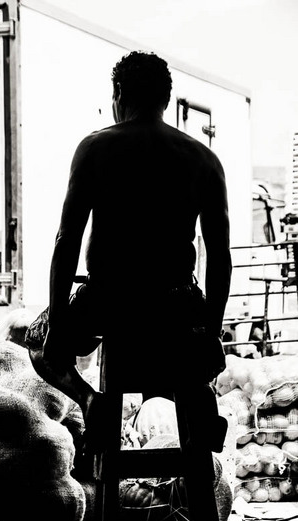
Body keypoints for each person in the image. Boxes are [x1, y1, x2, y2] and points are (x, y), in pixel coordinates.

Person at [25, 50, 232, 452]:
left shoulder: (96, 148)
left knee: (35, 341)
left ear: (119, 93)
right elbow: (221, 259)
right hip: (176, 304)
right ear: (165, 99)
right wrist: (211, 331)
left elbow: (66, 241)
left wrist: (58, 320)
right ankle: (197, 401)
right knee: (194, 358)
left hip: (109, 301)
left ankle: (91, 401)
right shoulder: (204, 159)